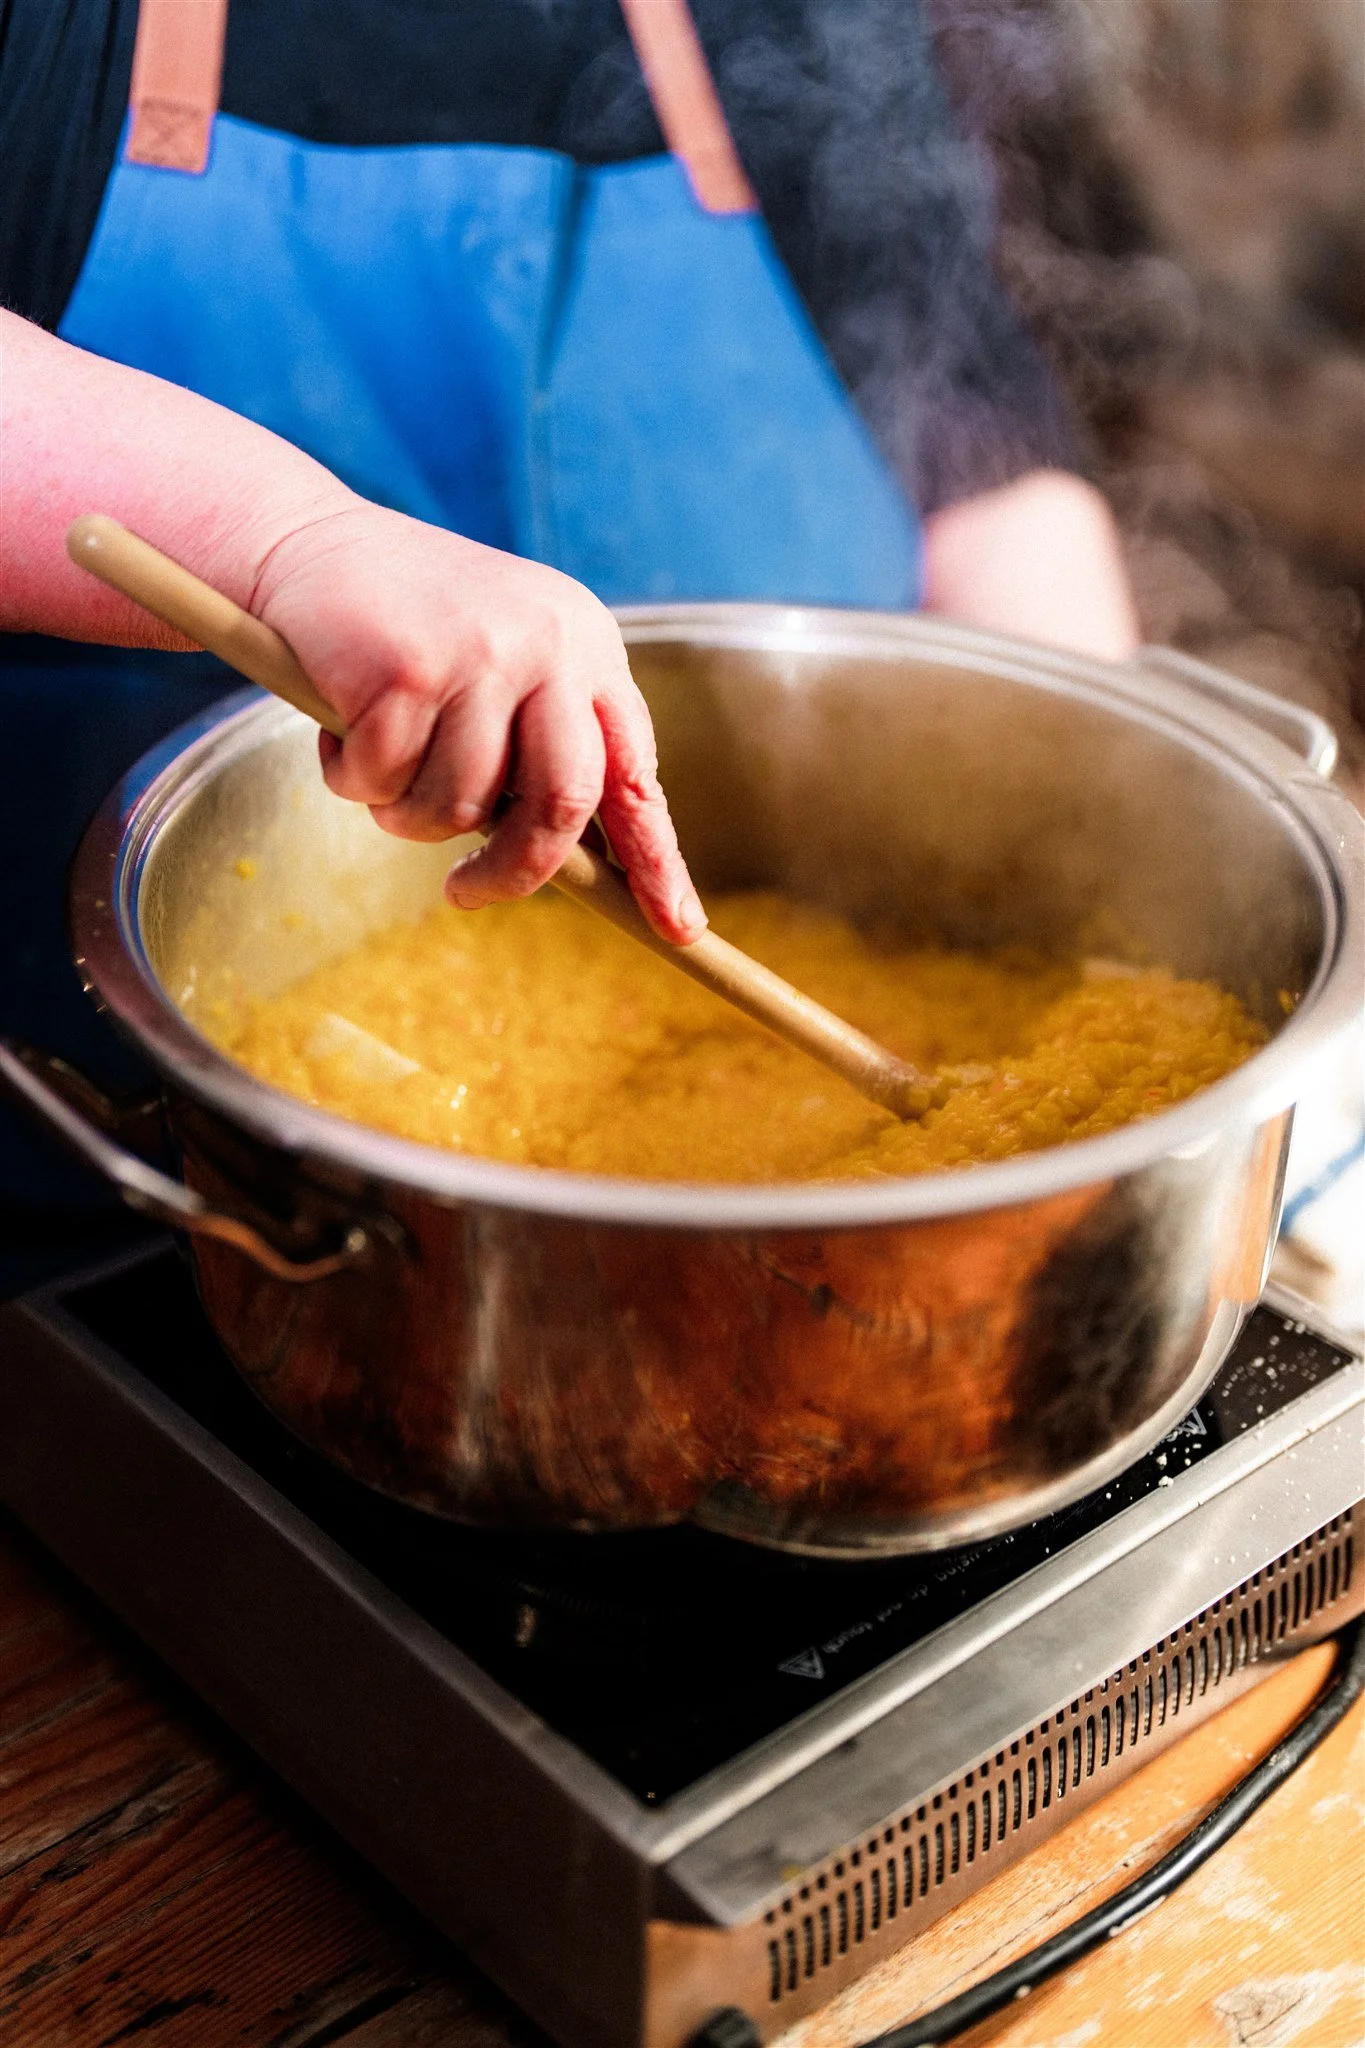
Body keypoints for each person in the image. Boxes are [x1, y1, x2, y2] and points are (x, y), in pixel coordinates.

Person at [0, 0, 1136, 1281]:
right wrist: (284, 538)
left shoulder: (803, 30)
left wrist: (1101, 846)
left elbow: (977, 446)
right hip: (143, 1193)